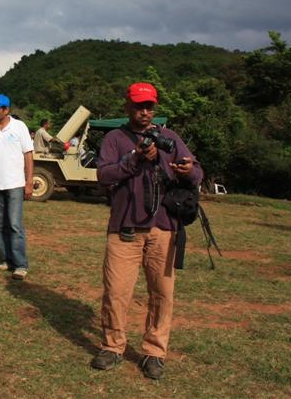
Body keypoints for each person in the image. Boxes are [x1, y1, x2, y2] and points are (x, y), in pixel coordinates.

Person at [91, 82, 202, 380]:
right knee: (116, 292)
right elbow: (104, 174)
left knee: (162, 294)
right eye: (139, 106)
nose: (145, 112)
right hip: (124, 228)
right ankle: (113, 346)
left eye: (149, 106)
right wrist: (135, 159)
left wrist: (187, 170)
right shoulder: (115, 139)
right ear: (127, 106)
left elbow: (197, 171)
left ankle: (154, 352)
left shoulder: (170, 137)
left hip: (164, 228)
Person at [0, 94, 34, 280]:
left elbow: (28, 155)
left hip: (15, 185)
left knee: (14, 225)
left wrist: (28, 182)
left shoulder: (19, 127)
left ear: (6, 110)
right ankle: (5, 260)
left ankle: (20, 265)